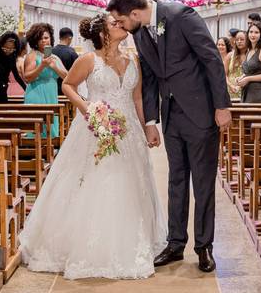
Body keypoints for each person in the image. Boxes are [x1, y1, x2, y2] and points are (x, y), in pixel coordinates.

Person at [20, 14, 166, 279]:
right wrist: (87, 108)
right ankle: (92, 245)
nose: (120, 25)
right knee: (99, 179)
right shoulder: (88, 60)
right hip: (96, 126)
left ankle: (129, 241)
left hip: (129, 130)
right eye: (114, 24)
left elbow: (136, 98)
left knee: (130, 183)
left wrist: (148, 126)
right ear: (102, 33)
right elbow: (68, 84)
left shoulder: (133, 59)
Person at [108, 0, 231, 273]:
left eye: (121, 21)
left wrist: (222, 106)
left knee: (202, 183)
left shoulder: (181, 16)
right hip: (172, 116)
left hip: (201, 112)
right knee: (176, 181)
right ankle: (176, 243)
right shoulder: (140, 33)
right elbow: (150, 77)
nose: (121, 26)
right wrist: (151, 121)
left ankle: (204, 246)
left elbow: (211, 58)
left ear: (134, 13)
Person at [23, 23, 67, 138]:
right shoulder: (32, 56)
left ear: (51, 38)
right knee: (38, 129)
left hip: (51, 95)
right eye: (40, 38)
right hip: (36, 94)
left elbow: (67, 77)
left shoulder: (54, 57)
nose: (43, 41)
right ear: (35, 40)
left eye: (46, 38)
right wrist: (42, 65)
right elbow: (27, 78)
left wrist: (54, 67)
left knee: (51, 129)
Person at [237, 21, 261, 102]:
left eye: (256, 32)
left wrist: (248, 79)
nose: (253, 35)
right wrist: (242, 77)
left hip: (260, 92)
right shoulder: (249, 50)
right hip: (248, 91)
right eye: (251, 32)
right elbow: (251, 72)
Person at [0, 32, 27, 103]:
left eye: (12, 49)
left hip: (3, 89)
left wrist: (26, 89)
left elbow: (16, 76)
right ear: (0, 45)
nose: (8, 51)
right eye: (5, 48)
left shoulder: (12, 57)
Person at [52, 27, 79, 94]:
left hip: (52, 89)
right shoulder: (72, 53)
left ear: (59, 37)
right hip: (67, 91)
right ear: (70, 38)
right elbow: (77, 76)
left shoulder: (50, 51)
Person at [225, 31, 247, 100]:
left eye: (242, 39)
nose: (239, 41)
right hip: (230, 90)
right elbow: (224, 74)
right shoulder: (230, 55)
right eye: (237, 40)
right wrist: (230, 85)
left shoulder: (250, 55)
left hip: (246, 90)